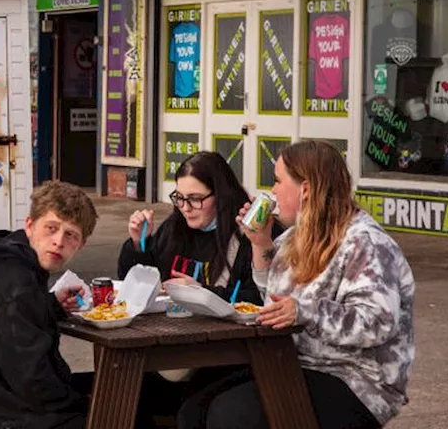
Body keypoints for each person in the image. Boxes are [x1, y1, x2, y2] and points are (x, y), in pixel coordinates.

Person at [178, 140, 415, 429]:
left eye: (278, 181)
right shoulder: (293, 237)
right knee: (193, 412)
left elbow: (376, 322)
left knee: (230, 416)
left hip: (356, 381)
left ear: (306, 189)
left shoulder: (365, 242)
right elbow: (274, 298)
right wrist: (260, 243)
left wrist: (307, 311)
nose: (273, 190)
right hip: (294, 363)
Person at [0, 180, 104, 429]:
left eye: (70, 235)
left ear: (81, 245)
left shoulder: (13, 265)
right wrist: (80, 402)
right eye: (51, 228)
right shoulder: (14, 280)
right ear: (30, 226)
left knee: (107, 394)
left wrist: (51, 305)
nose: (58, 241)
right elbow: (30, 376)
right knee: (114, 412)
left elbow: (14, 323)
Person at [120, 151, 278, 304]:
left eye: (195, 199)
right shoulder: (175, 225)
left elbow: (259, 298)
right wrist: (139, 243)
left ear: (221, 195)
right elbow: (134, 285)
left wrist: (201, 292)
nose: (186, 208)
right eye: (179, 197)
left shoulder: (250, 233)